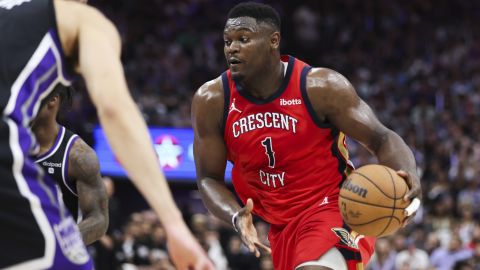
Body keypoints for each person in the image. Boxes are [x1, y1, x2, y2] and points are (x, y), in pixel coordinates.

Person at [191, 2, 421, 270]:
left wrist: (409, 174)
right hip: (281, 228)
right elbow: (208, 178)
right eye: (227, 41)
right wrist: (235, 215)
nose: (232, 47)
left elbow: (381, 138)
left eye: (243, 39)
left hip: (336, 208)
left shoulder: (321, 87)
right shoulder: (212, 100)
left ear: (273, 41)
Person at [0, 0, 213, 269]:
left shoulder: (78, 154)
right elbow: (115, 109)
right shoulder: (82, 20)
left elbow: (98, 218)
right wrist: (174, 224)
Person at [31, 85, 108, 245]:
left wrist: (61, 243)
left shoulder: (78, 155)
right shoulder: (8, 141)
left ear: (53, 99)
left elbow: (99, 218)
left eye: (28, 94)